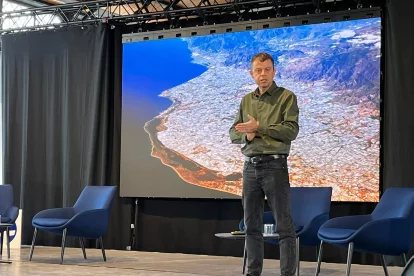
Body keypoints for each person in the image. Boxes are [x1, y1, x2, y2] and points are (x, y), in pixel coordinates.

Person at [229, 52, 299, 276]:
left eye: (267, 69)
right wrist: (246, 137)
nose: (263, 75)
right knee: (251, 226)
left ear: (274, 71)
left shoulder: (286, 97)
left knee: (284, 227)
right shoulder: (246, 100)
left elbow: (290, 131)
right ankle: (253, 273)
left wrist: (258, 128)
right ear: (252, 74)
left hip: (275, 166)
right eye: (258, 70)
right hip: (250, 167)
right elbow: (233, 132)